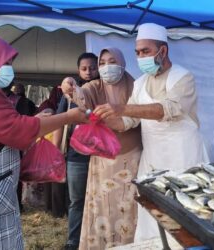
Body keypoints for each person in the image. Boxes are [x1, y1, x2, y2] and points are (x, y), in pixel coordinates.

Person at [0, 35, 86, 249]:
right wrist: (70, 117)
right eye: (5, 62)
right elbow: (16, 131)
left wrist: (34, 120)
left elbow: (0, 124)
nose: (9, 69)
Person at [93, 23, 210, 241]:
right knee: (153, 215)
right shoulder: (140, 84)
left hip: (183, 158)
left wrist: (121, 108)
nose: (140, 57)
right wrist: (102, 121)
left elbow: (169, 109)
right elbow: (127, 121)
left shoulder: (183, 77)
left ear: (162, 51)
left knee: (185, 212)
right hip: (153, 158)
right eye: (137, 52)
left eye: (145, 51)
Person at [61, 47, 142, 249]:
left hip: (131, 157)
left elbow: (138, 115)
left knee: (127, 207)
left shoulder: (137, 86)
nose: (107, 67)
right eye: (103, 63)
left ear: (122, 63)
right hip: (103, 160)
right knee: (103, 207)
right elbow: (81, 95)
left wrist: (118, 121)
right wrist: (70, 86)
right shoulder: (95, 86)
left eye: (112, 61)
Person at [53, 52, 99, 250]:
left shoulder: (106, 91)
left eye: (92, 67)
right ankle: (73, 242)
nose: (89, 72)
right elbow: (59, 122)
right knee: (77, 201)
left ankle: (97, 240)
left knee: (100, 199)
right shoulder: (70, 94)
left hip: (102, 155)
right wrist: (56, 152)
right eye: (84, 68)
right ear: (78, 70)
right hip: (76, 156)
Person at [2, 82, 37, 212]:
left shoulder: (21, 101)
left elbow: (26, 121)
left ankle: (17, 205)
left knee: (14, 177)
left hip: (14, 146)